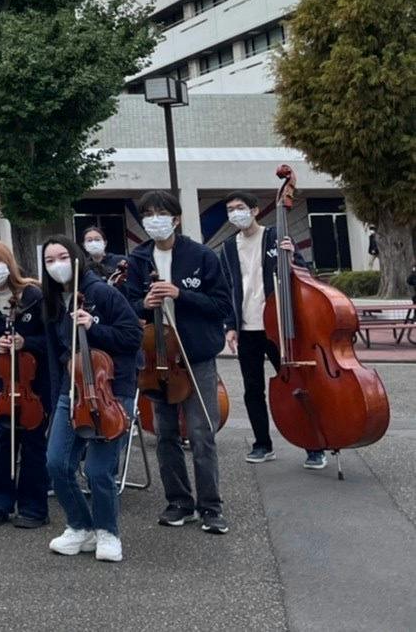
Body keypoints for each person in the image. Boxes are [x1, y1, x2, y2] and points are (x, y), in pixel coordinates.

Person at [122, 189, 234, 534]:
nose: (153, 220)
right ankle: (179, 501)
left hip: (195, 356)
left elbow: (222, 306)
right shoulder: (139, 259)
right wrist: (145, 304)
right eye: (147, 215)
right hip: (158, 357)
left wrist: (180, 294)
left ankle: (211, 505)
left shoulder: (201, 256)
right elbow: (128, 305)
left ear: (175, 219)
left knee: (202, 432)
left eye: (160, 213)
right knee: (165, 433)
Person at [42, 237, 142, 564]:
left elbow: (133, 336)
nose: (56, 265)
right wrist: (57, 397)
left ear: (76, 258)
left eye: (62, 257)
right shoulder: (52, 301)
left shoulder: (102, 293)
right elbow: (57, 353)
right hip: (71, 389)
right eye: (49, 260)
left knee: (99, 469)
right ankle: (80, 526)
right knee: (57, 462)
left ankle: (108, 531)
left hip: (110, 389)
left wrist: (93, 326)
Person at [217, 191, 320, 468]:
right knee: (252, 390)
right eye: (230, 209)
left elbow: (303, 274)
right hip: (247, 327)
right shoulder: (228, 247)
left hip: (278, 325)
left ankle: (313, 445)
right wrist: (230, 325)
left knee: (295, 387)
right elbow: (226, 289)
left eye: (240, 207)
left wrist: (293, 257)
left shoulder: (276, 236)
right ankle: (262, 443)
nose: (235, 213)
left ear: (254, 210)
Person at [0, 239, 50, 529]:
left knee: (33, 442)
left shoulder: (33, 295)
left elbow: (50, 338)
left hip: (34, 380)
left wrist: (24, 342)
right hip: (4, 379)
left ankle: (34, 506)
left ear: (9, 263)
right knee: (2, 440)